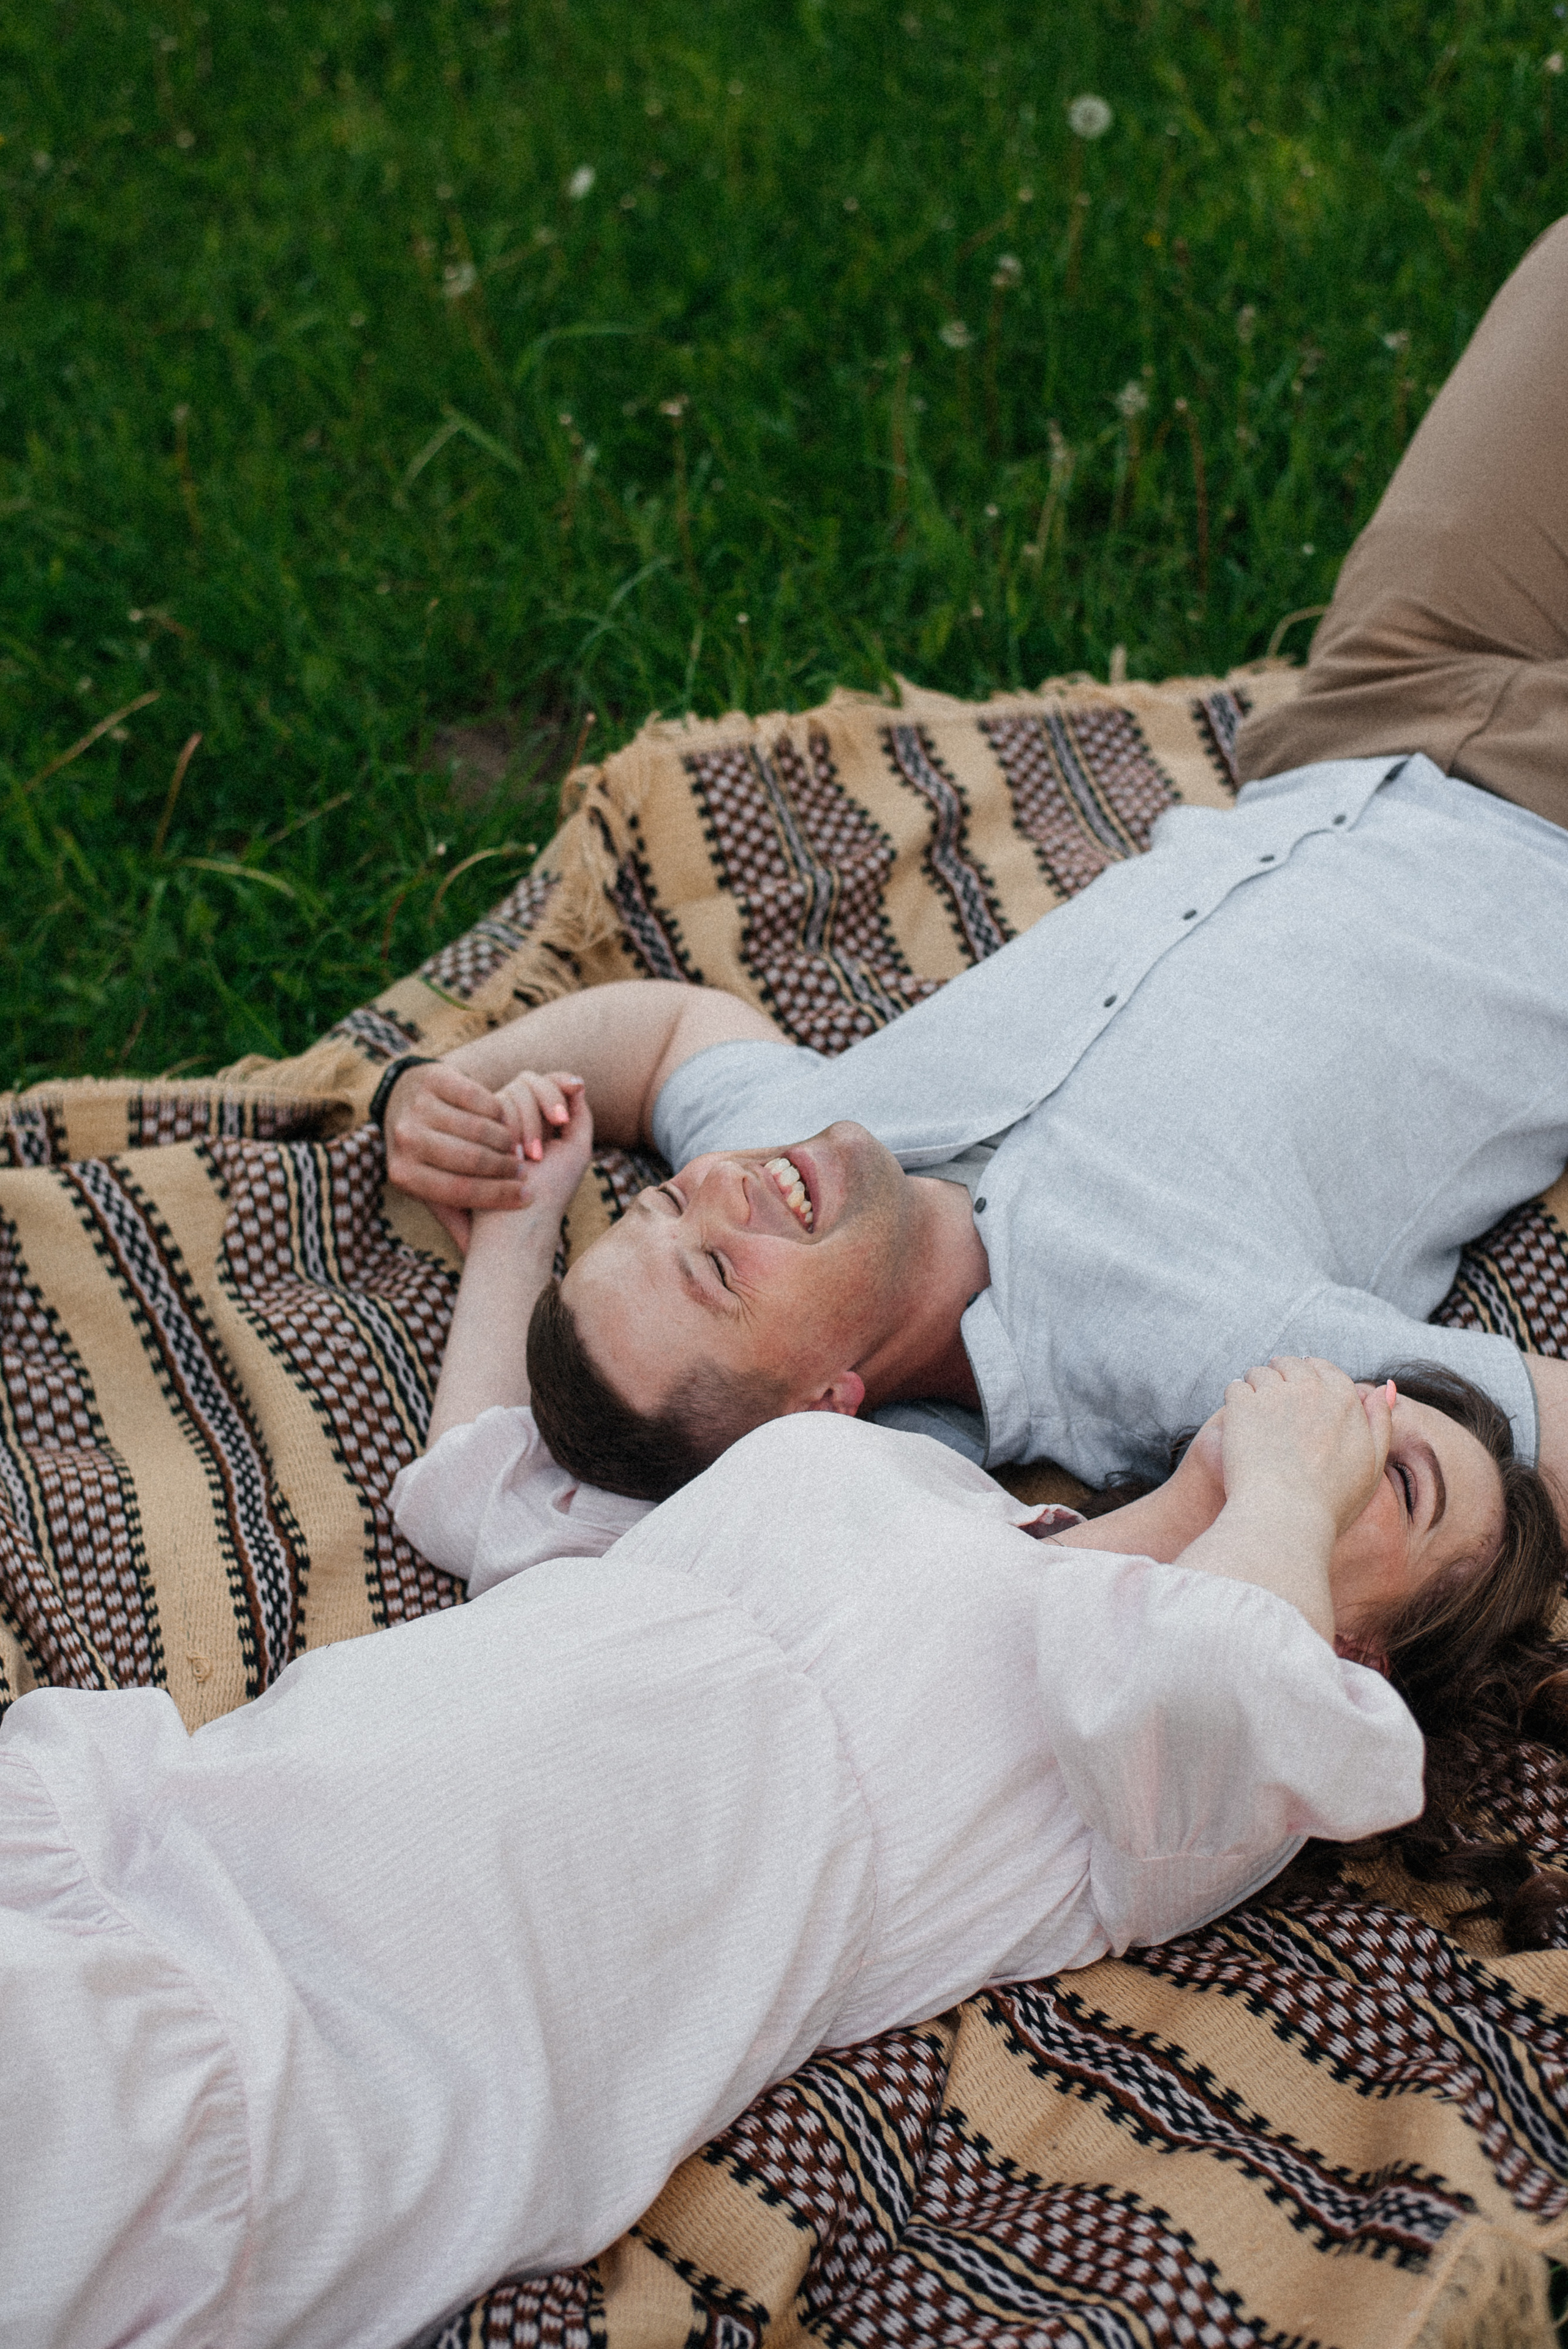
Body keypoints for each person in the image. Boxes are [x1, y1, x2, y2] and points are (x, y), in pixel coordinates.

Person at [4, 1102, 1562, 2347]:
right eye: (1368, 1400)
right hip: (189, 1826)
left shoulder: (1218, 1772)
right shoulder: (916, 1484)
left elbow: (1212, 1680)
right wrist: (522, 1222)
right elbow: (485, 1487)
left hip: (349, 2046)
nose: (1347, 1422)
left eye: (1396, 1479)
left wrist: (1293, 1487)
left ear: (1356, 1650)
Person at [380, 219, 1568, 1512]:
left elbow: (664, 1035)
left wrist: (449, 1095)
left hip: (1370, 703)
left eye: (666, 1207)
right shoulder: (1172, 1358)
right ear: (826, 1407)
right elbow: (494, 1529)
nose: (719, 1194)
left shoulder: (794, 1137)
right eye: (717, 1271)